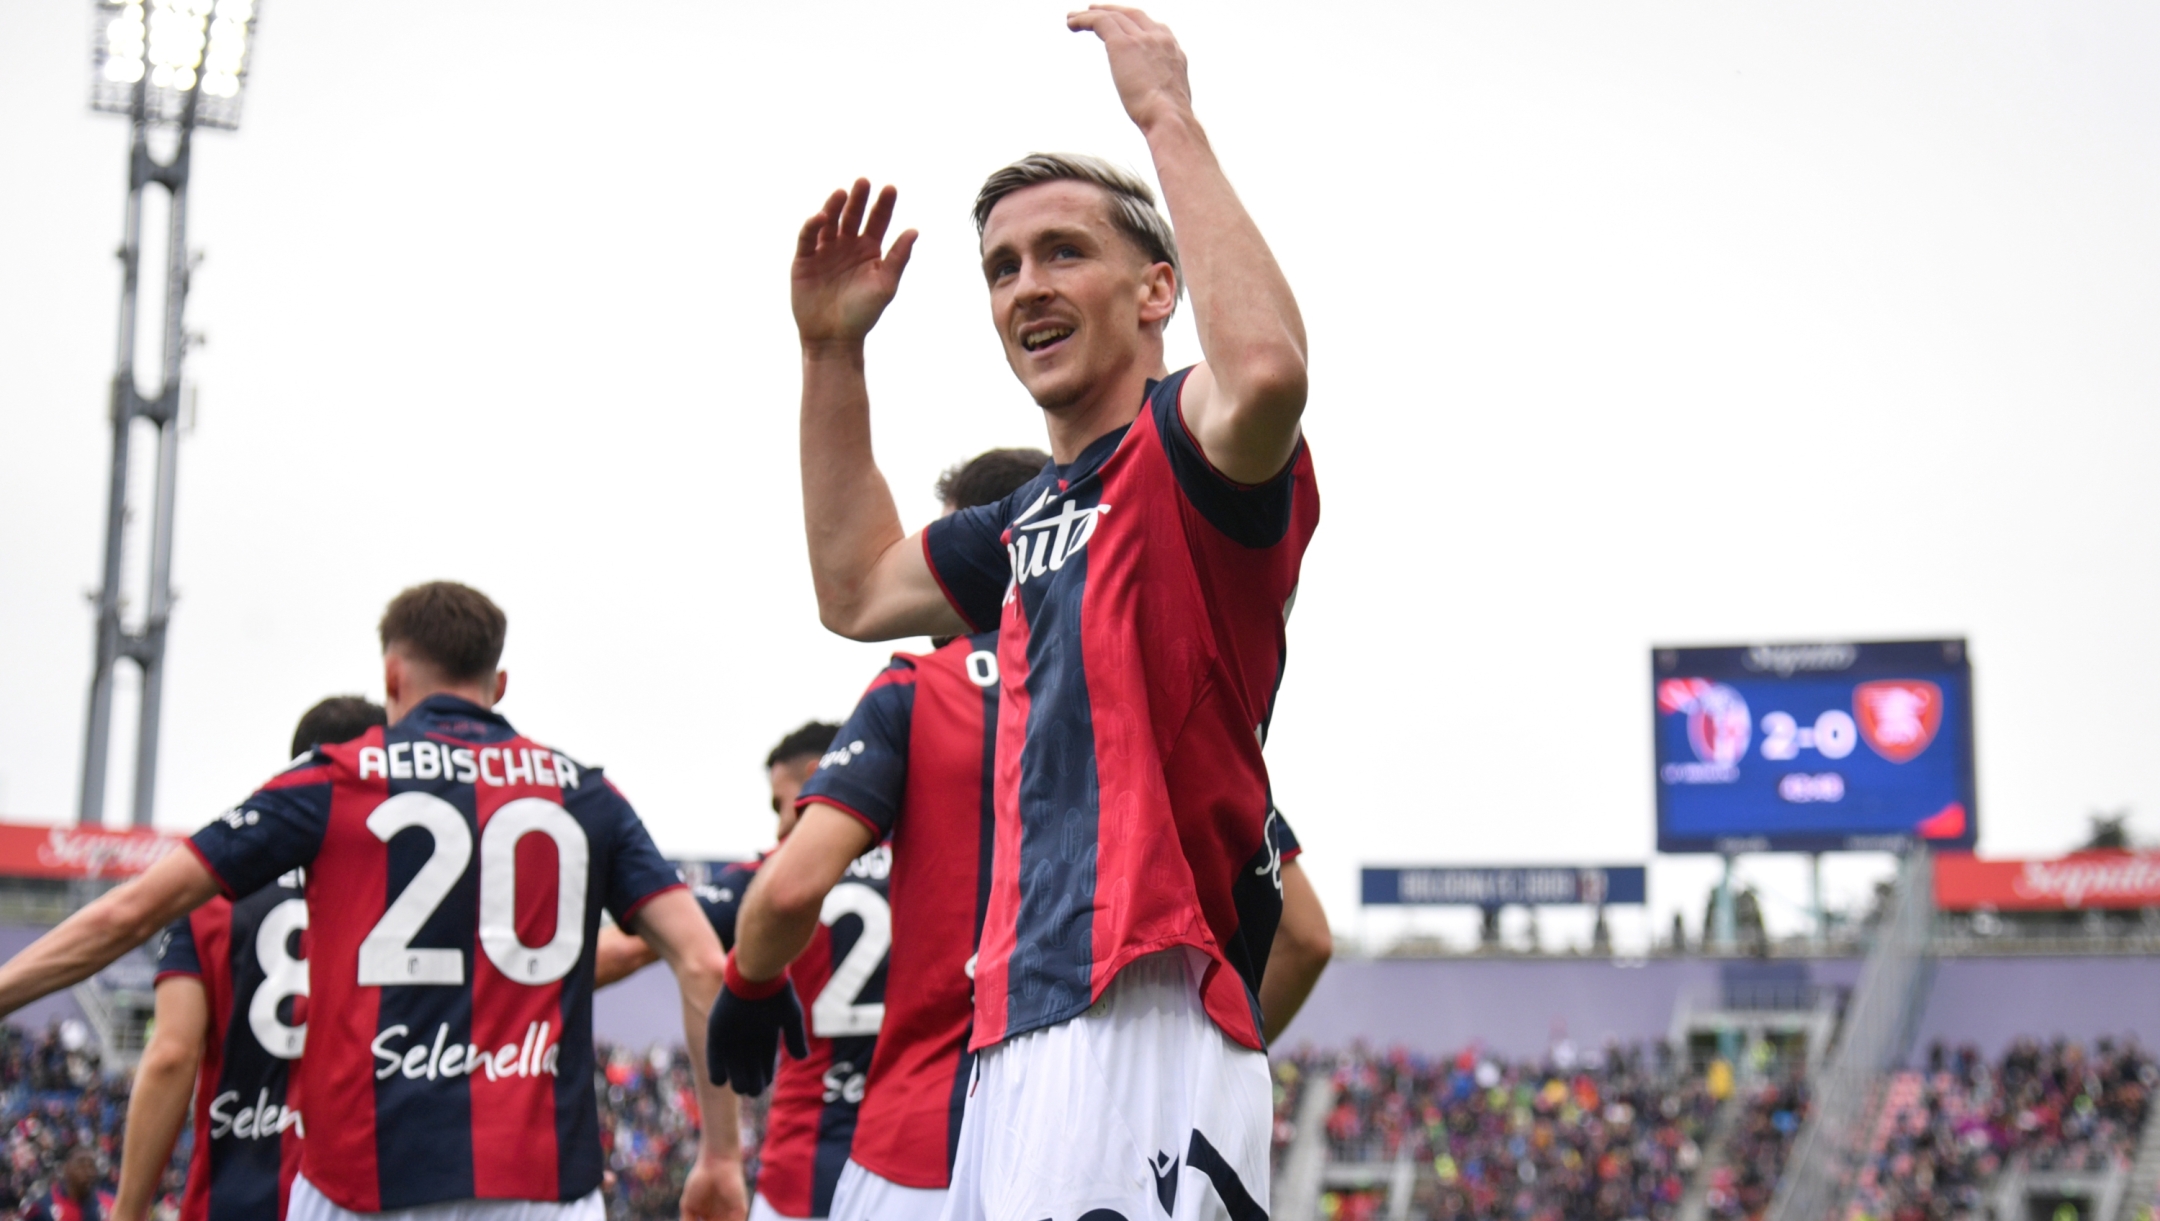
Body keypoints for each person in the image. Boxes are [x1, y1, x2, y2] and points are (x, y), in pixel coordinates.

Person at [754, 6, 1317, 1216]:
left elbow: (1266, 369)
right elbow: (854, 589)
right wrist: (829, 356)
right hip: (1016, 1018)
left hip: (1145, 999)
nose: (1026, 287)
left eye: (1064, 252)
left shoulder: (1192, 452)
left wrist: (1164, 113)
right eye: (1003, 268)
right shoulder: (1024, 521)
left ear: (1157, 288)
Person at [0, 582, 747, 1221]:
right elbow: (704, 965)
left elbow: (127, 913)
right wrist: (718, 1153)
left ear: (392, 676)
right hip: (543, 1182)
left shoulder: (334, 781)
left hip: (362, 1177)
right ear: (501, 682)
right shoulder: (588, 793)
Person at [112, 696, 388, 1221]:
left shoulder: (211, 893)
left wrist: (127, 1212)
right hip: (356, 1200)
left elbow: (171, 1054)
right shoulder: (399, 898)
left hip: (233, 1200)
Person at [599, 721, 876, 1221]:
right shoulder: (945, 866)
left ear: (818, 776)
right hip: (926, 1161)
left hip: (802, 1171)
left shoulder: (772, 881)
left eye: (780, 802)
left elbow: (625, 950)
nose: (777, 827)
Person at [24, 1146, 113, 1221]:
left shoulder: (109, 1205)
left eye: (91, 1166)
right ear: (66, 1168)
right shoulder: (42, 1208)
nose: (88, 1172)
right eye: (81, 1165)